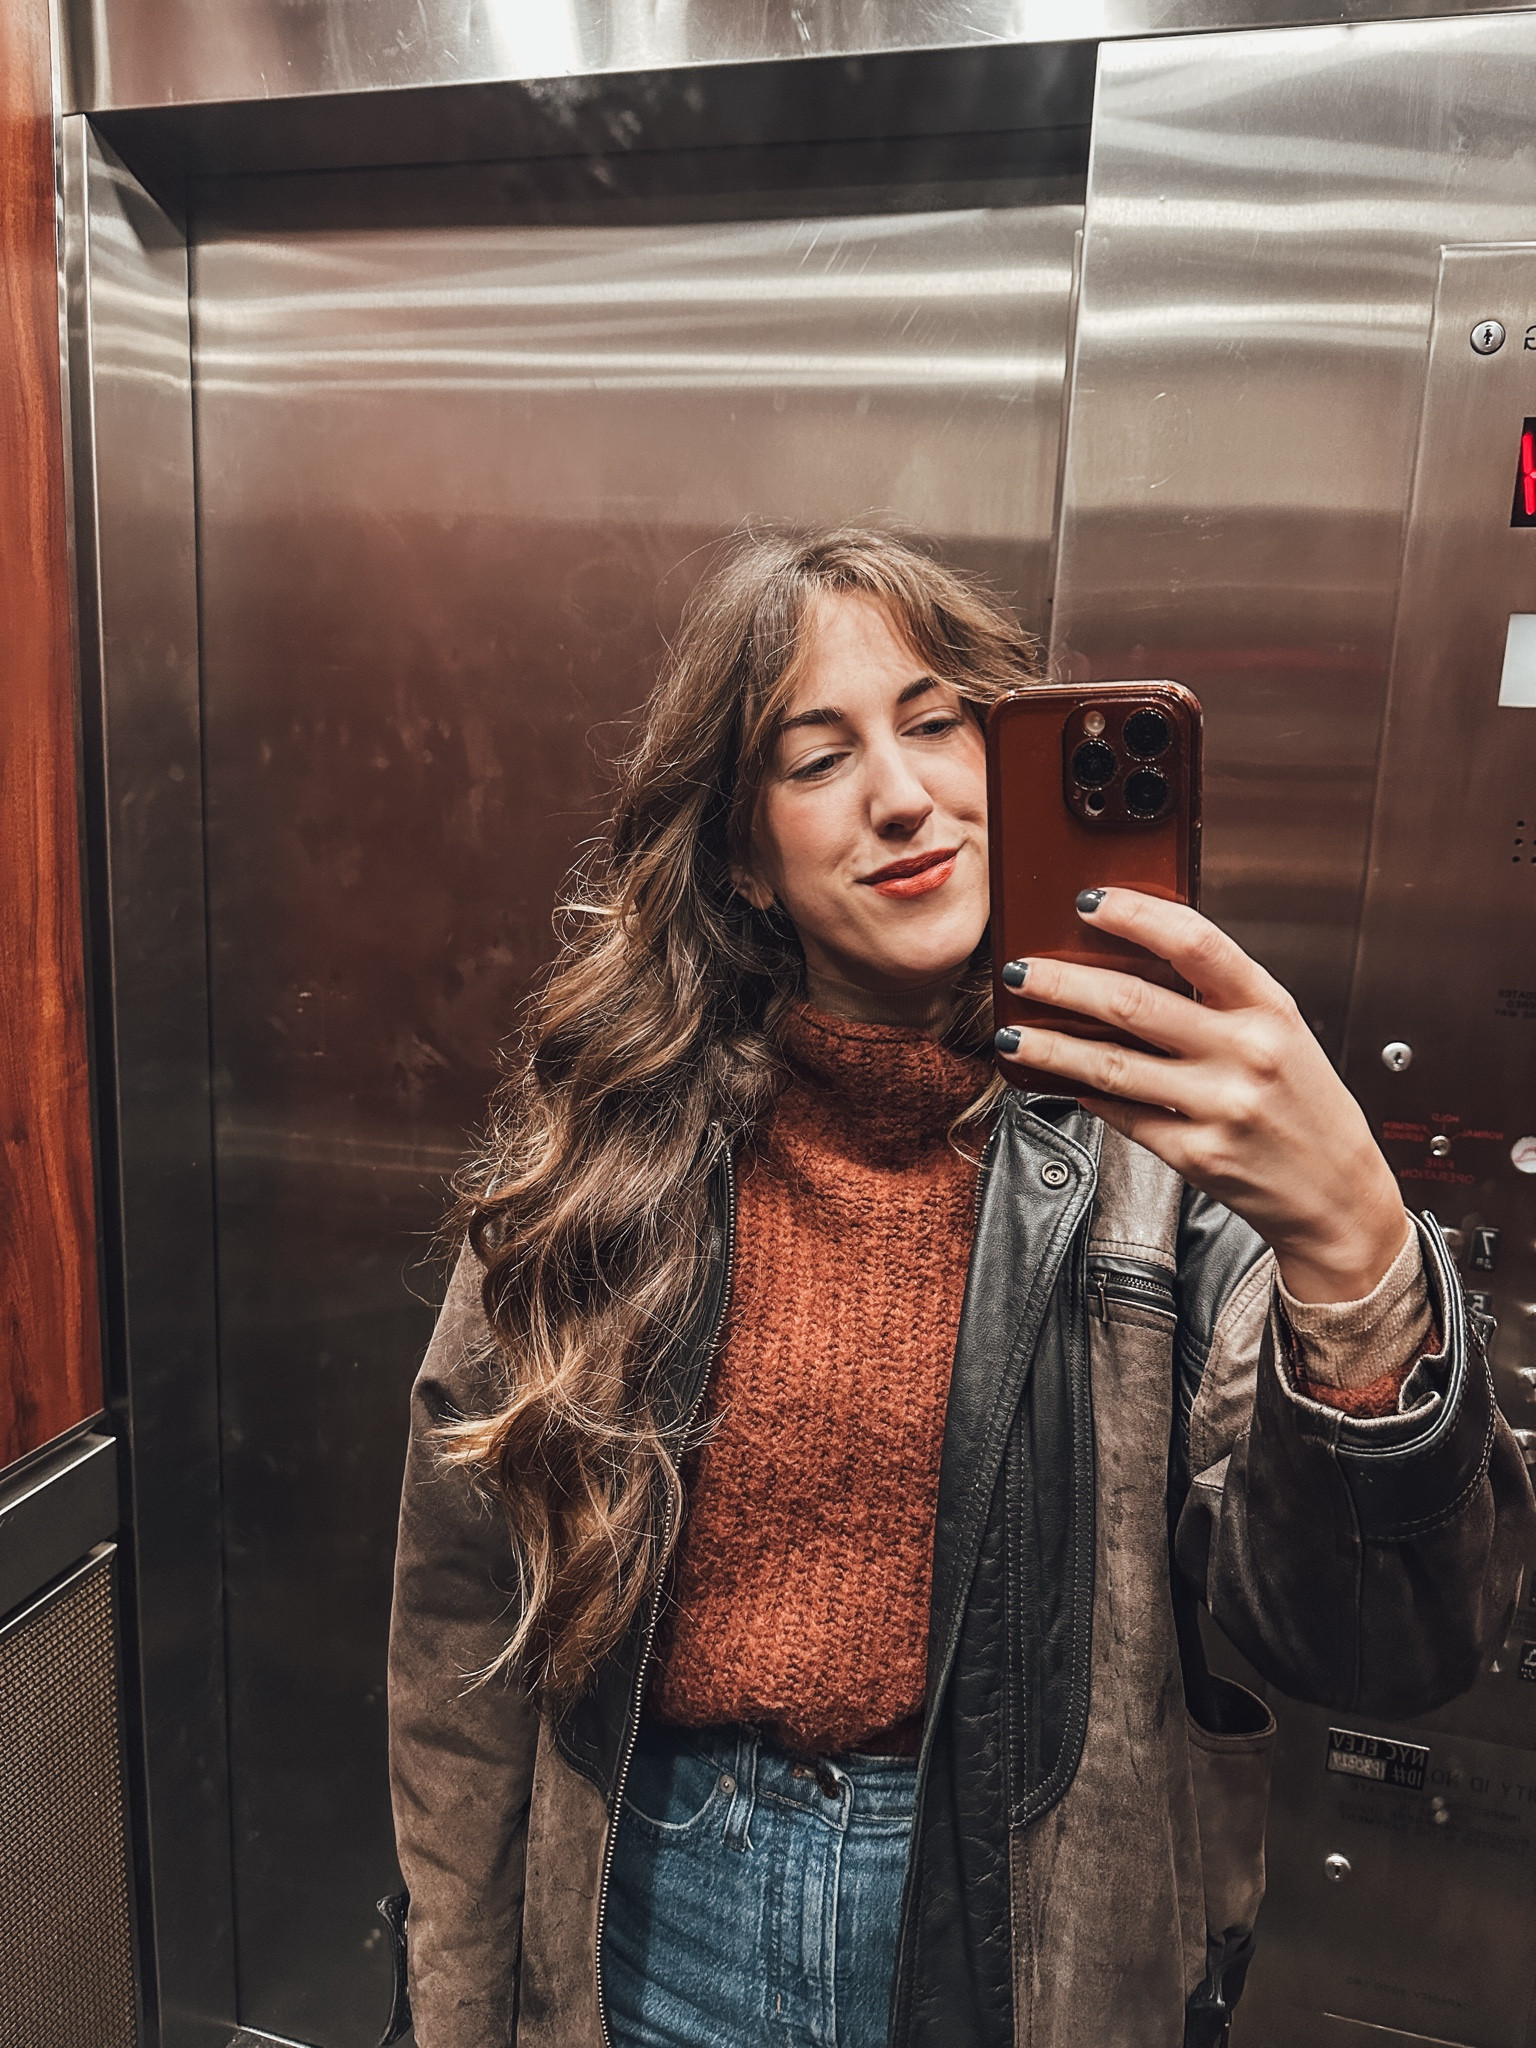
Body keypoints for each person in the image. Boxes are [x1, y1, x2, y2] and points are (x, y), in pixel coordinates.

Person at [387, 528, 1531, 2048]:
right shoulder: (606, 1162)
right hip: (649, 1928)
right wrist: (453, 2009)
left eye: (938, 724)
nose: (904, 795)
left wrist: (1355, 1253)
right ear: (743, 853)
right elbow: (465, 1634)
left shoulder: (1170, 1149)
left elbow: (1378, 1649)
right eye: (817, 758)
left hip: (1032, 1948)